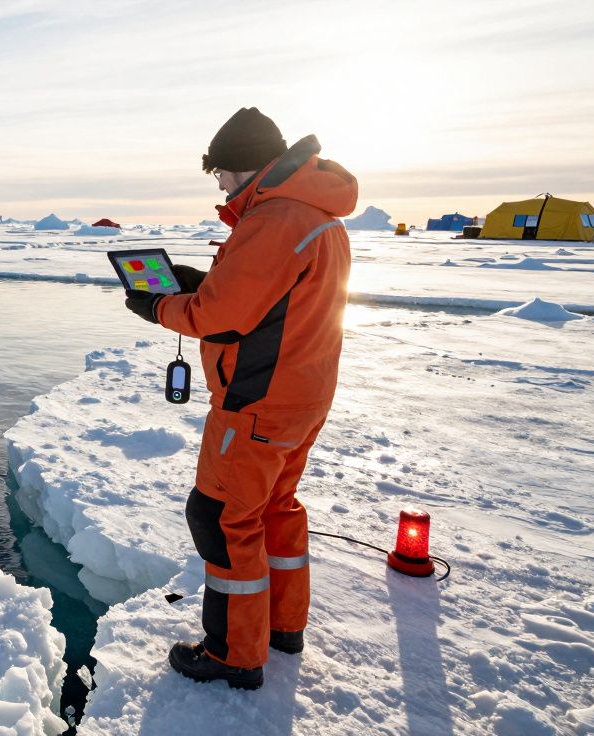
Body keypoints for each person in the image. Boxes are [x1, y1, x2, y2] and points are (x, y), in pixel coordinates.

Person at [122, 107, 357, 689]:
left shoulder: (274, 218)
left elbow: (220, 319)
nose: (220, 185)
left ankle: (233, 653)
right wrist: (203, 281)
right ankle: (282, 627)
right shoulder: (314, 213)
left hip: (257, 401)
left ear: (247, 166)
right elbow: (271, 301)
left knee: (222, 517)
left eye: (221, 172)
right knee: (274, 508)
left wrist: (158, 305)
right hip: (301, 395)